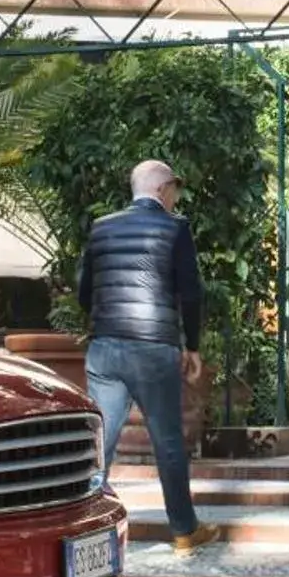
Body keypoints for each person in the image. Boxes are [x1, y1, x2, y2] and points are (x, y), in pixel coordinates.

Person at [73, 159, 220, 552]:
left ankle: (87, 532)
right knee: (168, 440)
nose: (176, 197)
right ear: (162, 189)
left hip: (104, 349)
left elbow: (84, 292)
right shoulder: (175, 228)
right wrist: (192, 346)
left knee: (100, 443)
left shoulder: (101, 228)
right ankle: (184, 531)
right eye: (175, 188)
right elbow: (191, 292)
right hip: (154, 347)